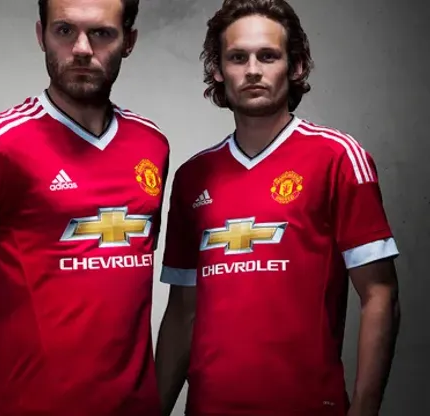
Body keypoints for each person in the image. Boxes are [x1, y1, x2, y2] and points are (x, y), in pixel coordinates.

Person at [0, 0, 170, 415]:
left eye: (101, 33)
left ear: (129, 41)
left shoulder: (151, 144)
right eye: (64, 31)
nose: (81, 49)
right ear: (41, 36)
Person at [154, 0, 401, 415]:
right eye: (238, 57)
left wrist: (364, 409)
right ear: (219, 70)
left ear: (296, 66)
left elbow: (380, 294)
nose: (252, 70)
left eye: (267, 56)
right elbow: (183, 311)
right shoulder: (193, 176)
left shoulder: (338, 157)